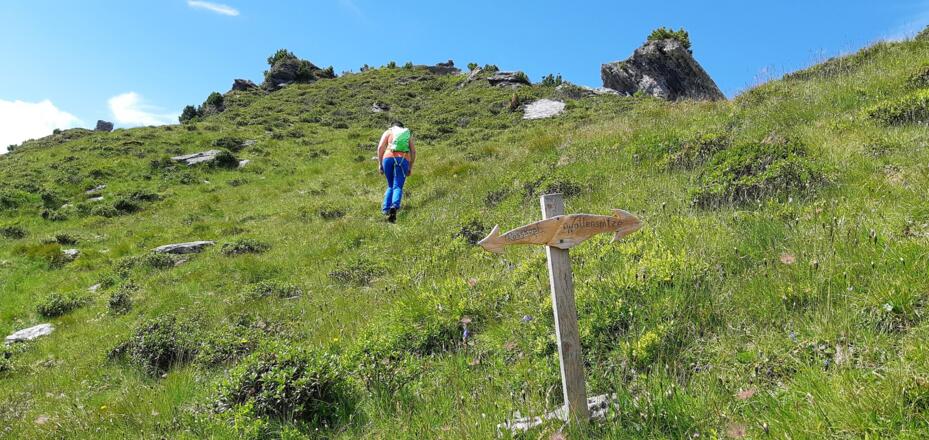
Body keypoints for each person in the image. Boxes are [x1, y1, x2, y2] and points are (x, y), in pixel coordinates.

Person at [377, 121, 416, 223]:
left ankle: (385, 209)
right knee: (397, 186)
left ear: (392, 126)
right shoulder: (407, 133)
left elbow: (380, 147)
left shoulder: (388, 132)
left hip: (388, 158)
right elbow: (413, 151)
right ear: (402, 127)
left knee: (390, 185)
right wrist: (410, 167)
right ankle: (394, 206)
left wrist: (380, 164)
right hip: (403, 159)